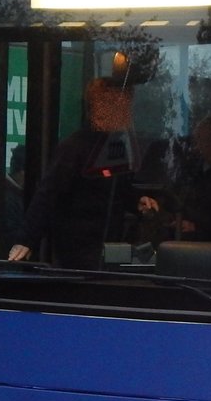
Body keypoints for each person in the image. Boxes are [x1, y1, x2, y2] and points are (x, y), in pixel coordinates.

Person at [8, 79, 153, 268]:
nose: (126, 113)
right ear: (98, 110)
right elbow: (48, 193)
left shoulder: (116, 147)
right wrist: (26, 239)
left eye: (126, 107)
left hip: (111, 248)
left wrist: (137, 201)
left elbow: (117, 189)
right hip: (76, 251)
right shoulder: (74, 147)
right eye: (117, 106)